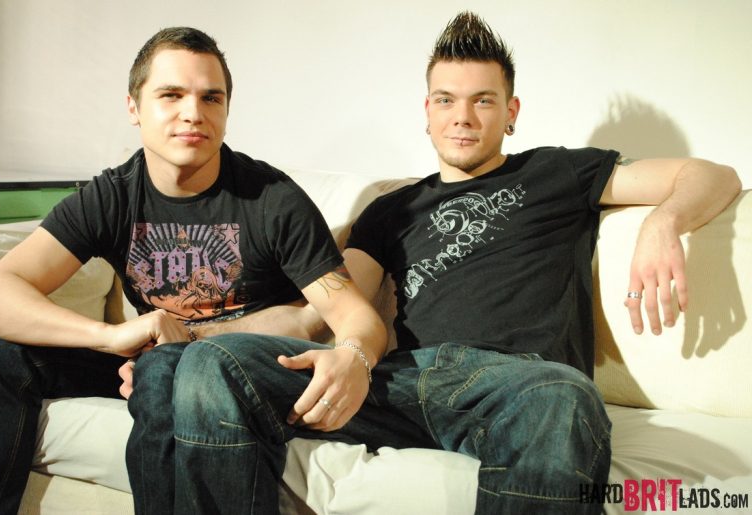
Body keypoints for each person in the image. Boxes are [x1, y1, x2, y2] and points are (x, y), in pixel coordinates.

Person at [136, 11, 742, 515]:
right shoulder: (388, 210)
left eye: (484, 101)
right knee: (213, 365)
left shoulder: (558, 171)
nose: (463, 117)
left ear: (511, 111)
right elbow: (318, 315)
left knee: (564, 398)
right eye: (447, 100)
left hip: (516, 384)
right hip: (396, 381)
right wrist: (193, 336)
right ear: (426, 110)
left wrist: (663, 222)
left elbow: (712, 176)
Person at [0, 27, 385, 515]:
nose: (193, 113)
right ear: (134, 107)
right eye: (171, 95)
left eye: (211, 97)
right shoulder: (113, 195)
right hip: (150, 354)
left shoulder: (272, 199)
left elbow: (351, 318)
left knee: (162, 366)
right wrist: (109, 337)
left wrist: (354, 356)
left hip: (237, 369)